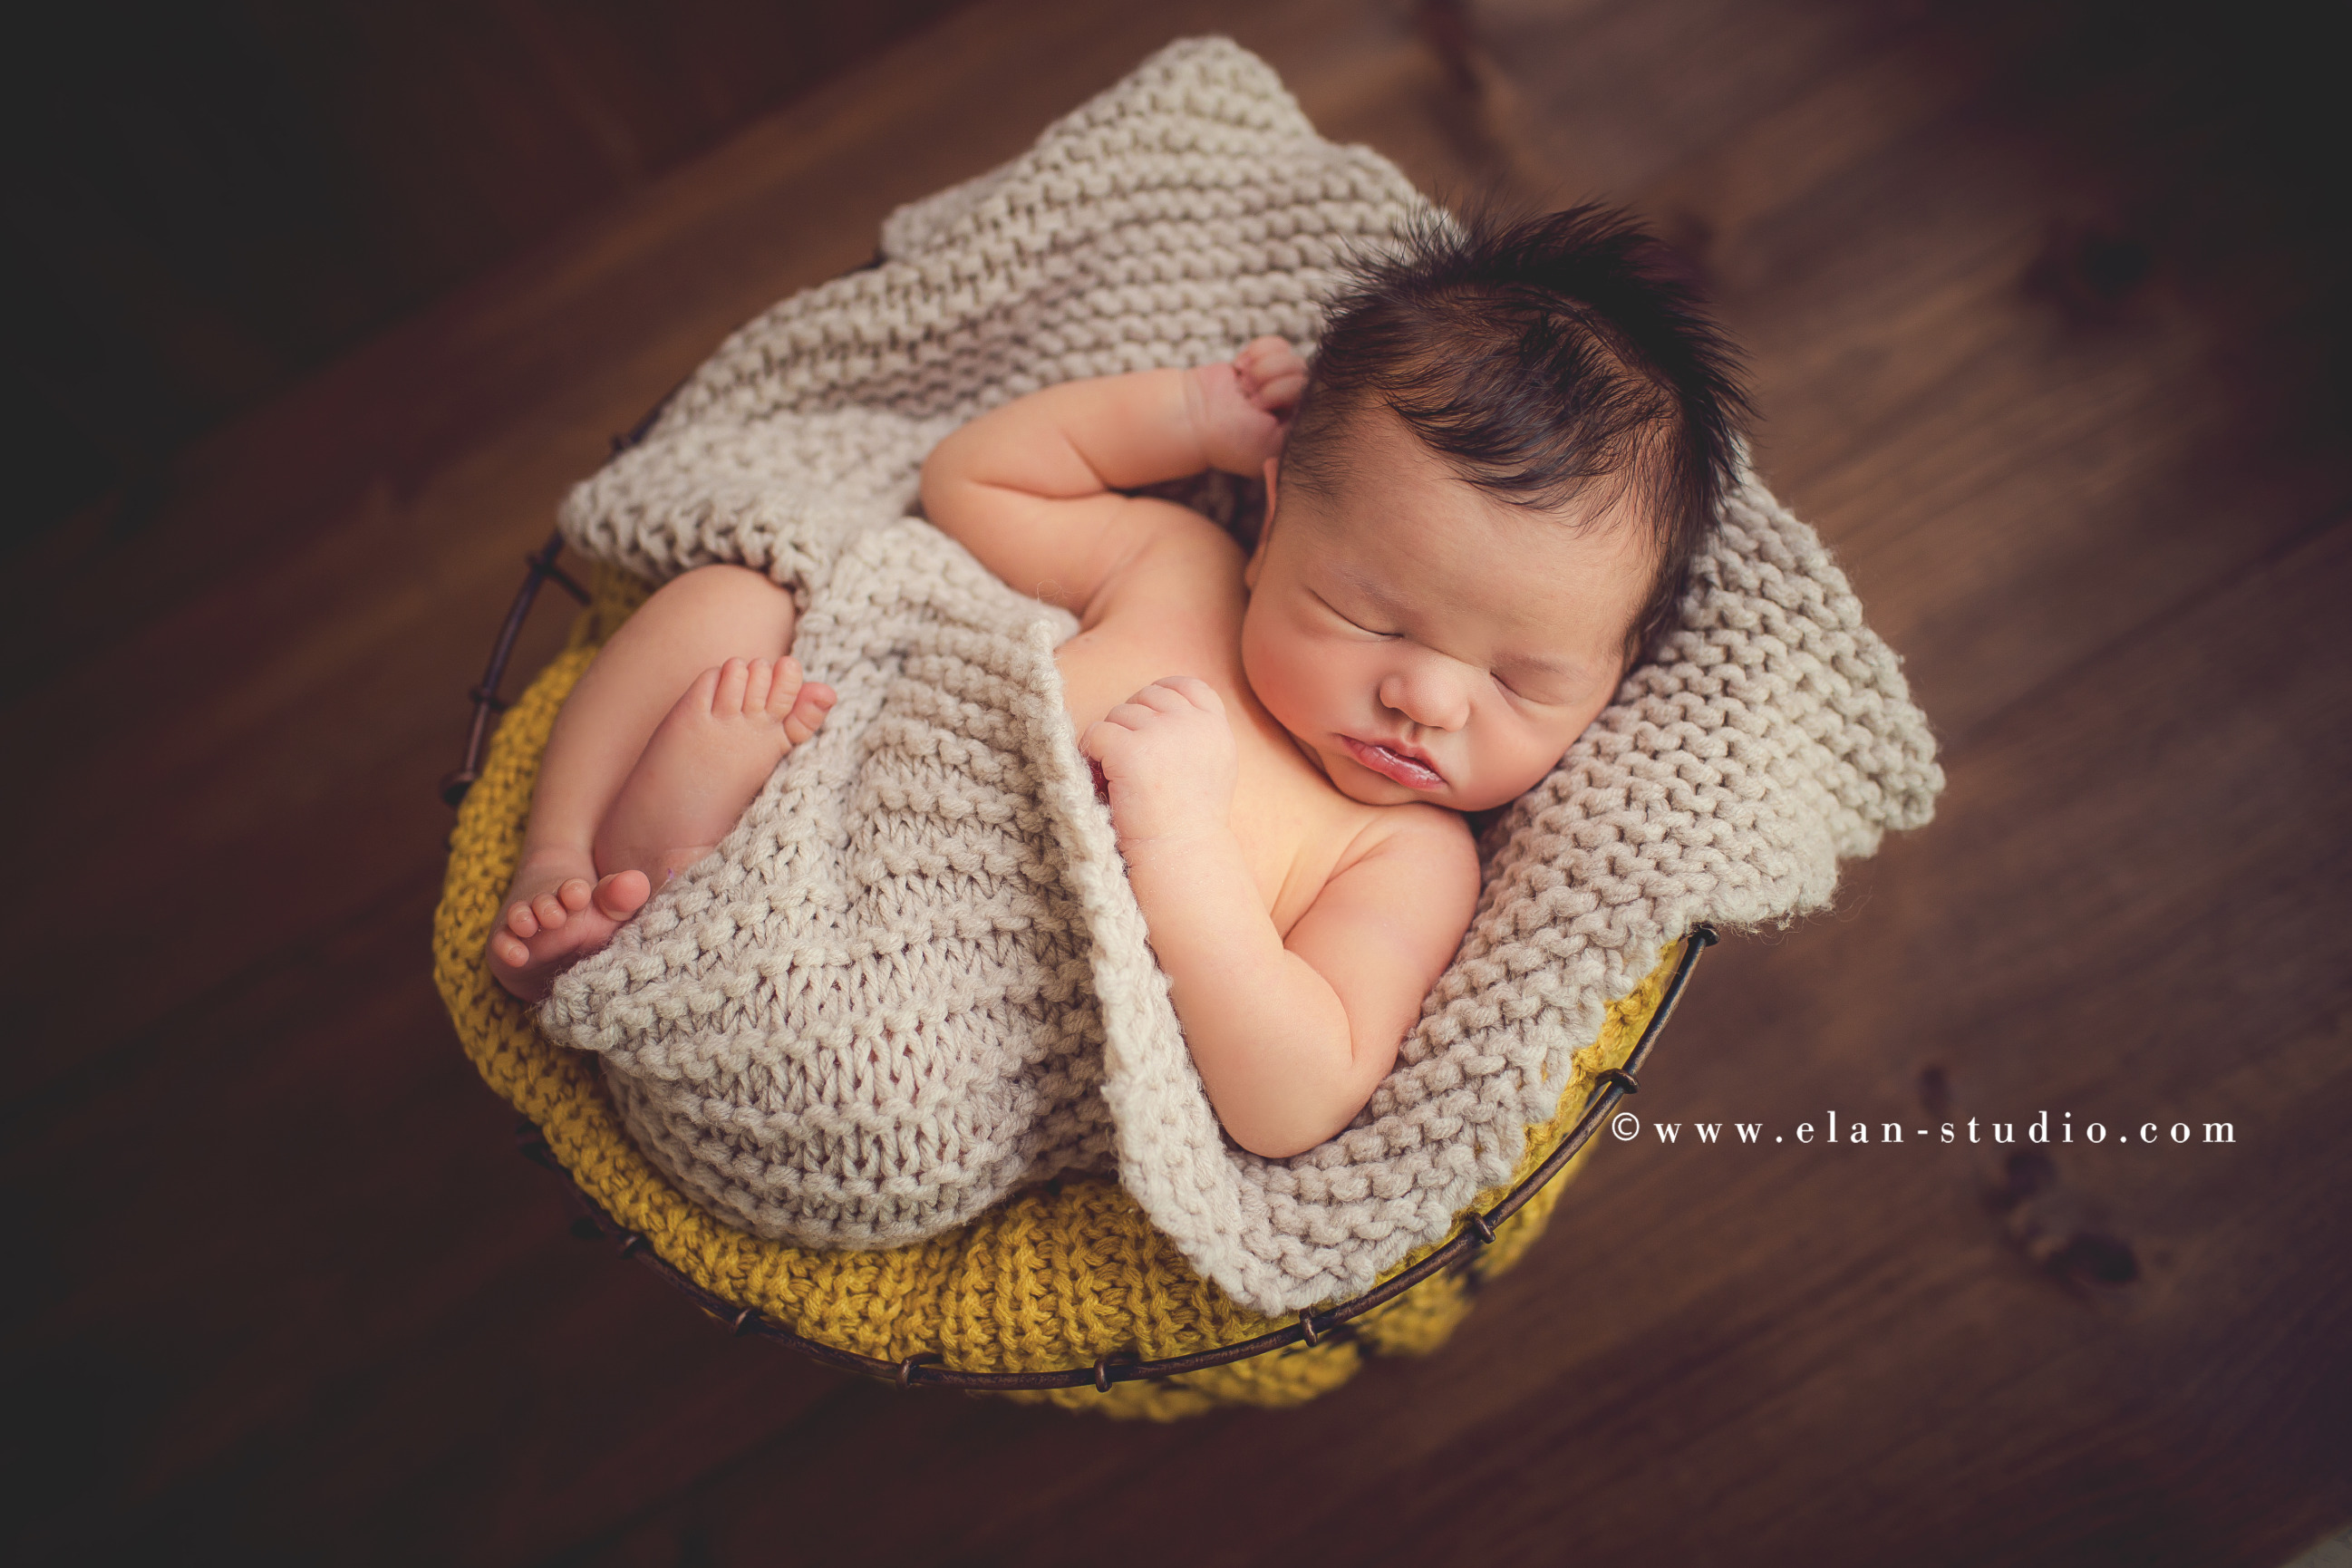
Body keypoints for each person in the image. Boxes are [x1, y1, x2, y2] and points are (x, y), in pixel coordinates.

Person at [486, 206, 1748, 1159]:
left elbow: (1296, 1095)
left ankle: (676, 898)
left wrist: (1179, 836)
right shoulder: (1184, 563)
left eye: (1524, 680)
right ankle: (575, 863)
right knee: (734, 597)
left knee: (893, 1077)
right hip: (840, 798)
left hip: (928, 1042)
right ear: (1271, 519)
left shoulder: (1406, 854)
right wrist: (1190, 414)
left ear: (1614, 675)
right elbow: (970, 483)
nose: (1427, 698)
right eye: (1365, 613)